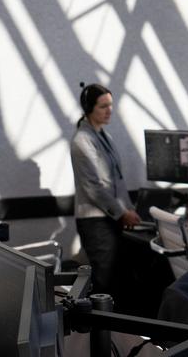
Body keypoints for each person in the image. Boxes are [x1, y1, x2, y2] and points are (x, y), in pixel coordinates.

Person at [70, 82, 141, 299]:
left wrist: (129, 209)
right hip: (95, 221)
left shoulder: (104, 136)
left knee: (118, 278)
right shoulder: (82, 141)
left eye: (111, 105)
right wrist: (122, 213)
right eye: (103, 106)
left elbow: (117, 180)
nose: (109, 110)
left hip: (110, 218)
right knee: (105, 280)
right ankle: (101, 333)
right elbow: (94, 189)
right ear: (89, 109)